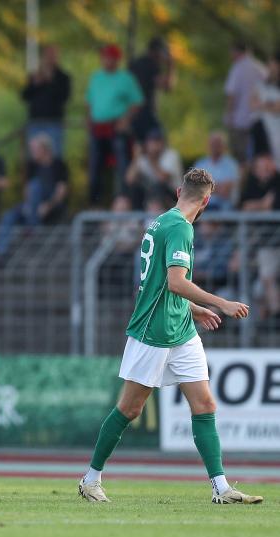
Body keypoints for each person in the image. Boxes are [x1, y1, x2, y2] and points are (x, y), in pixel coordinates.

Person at [79, 168, 263, 505]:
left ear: (180, 191)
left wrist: (193, 309)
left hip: (181, 327)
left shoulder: (161, 221)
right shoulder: (180, 228)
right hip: (154, 329)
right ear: (207, 200)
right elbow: (175, 281)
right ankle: (90, 479)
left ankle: (221, 488)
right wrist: (221, 303)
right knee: (130, 408)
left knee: (205, 403)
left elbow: (160, 283)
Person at [86, 44, 143, 206]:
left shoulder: (126, 78)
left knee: (122, 166)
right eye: (104, 57)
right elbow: (89, 101)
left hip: (116, 129)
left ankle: (124, 200)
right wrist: (89, 119)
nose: (106, 60)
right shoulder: (96, 77)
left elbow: (137, 102)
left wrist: (125, 120)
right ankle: (95, 203)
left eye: (109, 57)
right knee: (95, 167)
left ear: (116, 60)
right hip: (98, 129)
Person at [0, 134, 68, 258]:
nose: (32, 152)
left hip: (51, 204)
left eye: (35, 149)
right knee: (8, 215)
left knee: (36, 186)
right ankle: (0, 252)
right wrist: (30, 206)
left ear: (45, 149)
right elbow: (27, 192)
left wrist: (48, 206)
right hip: (32, 205)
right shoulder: (31, 165)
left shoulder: (59, 165)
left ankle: (32, 229)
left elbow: (61, 192)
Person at [240, 155, 280, 320]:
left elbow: (269, 206)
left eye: (267, 167)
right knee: (260, 287)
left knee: (266, 280)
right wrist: (262, 205)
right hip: (262, 242)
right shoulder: (251, 185)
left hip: (274, 241)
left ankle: (274, 318)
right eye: (261, 168)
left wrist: (258, 206)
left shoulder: (277, 182)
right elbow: (244, 206)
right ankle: (270, 321)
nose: (265, 171)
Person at [21, 44, 71, 156]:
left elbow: (64, 98)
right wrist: (35, 84)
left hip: (54, 122)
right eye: (48, 55)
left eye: (53, 55)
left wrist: (50, 81)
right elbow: (24, 96)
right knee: (34, 156)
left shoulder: (63, 77)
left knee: (55, 155)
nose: (50, 58)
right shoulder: (35, 76)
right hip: (35, 122)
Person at [224, 41, 266, 165]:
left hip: (239, 122)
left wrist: (229, 116)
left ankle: (242, 182)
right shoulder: (260, 68)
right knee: (255, 156)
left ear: (237, 52)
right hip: (258, 120)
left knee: (240, 159)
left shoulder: (237, 68)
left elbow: (231, 95)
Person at [128, 37, 175, 143]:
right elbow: (168, 87)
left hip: (130, 113)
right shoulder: (151, 65)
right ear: (156, 52)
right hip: (146, 113)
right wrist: (171, 66)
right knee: (158, 143)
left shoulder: (135, 64)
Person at [125, 129, 183, 210]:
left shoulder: (171, 155)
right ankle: (139, 218)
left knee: (159, 187)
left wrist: (152, 158)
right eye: (152, 142)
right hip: (151, 196)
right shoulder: (143, 158)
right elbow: (129, 180)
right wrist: (136, 158)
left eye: (157, 142)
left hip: (173, 196)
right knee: (135, 189)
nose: (154, 145)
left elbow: (162, 179)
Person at [193, 131, 240, 211]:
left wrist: (205, 187)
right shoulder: (200, 164)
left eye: (218, 143)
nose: (215, 146)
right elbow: (195, 190)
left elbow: (225, 192)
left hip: (224, 207)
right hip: (203, 207)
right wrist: (218, 187)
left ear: (224, 146)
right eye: (212, 144)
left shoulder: (232, 164)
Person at [252, 52, 280, 168]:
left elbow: (277, 108)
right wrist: (270, 104)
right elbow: (252, 103)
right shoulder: (261, 85)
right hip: (262, 131)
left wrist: (262, 104)